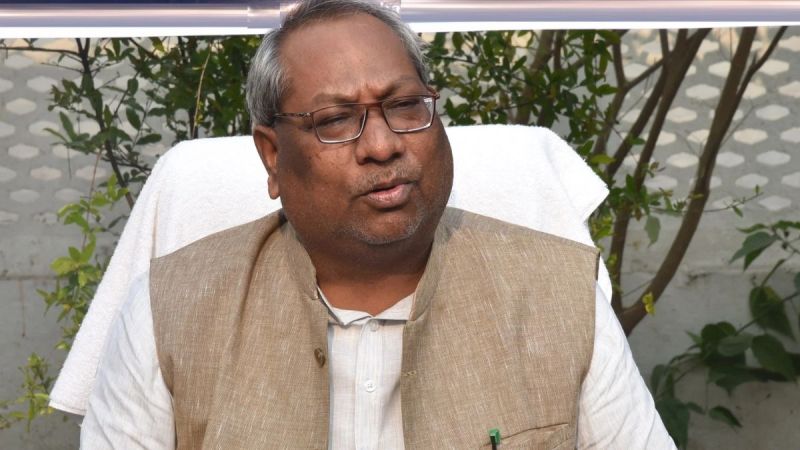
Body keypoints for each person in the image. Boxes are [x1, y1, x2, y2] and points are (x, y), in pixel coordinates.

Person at [79, 0, 675, 448]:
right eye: (336, 120)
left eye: (405, 106)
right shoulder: (172, 309)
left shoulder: (558, 297)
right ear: (273, 156)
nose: (383, 145)